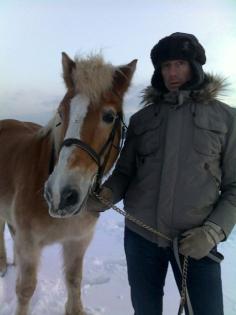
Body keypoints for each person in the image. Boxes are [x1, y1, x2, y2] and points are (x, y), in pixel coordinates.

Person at [88, 32, 236, 315]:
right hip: (141, 238)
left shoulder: (227, 118)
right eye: (166, 66)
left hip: (197, 241)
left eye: (180, 63)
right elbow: (124, 173)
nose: (172, 72)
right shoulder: (142, 119)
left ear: (195, 66)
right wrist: (106, 193)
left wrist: (214, 230)